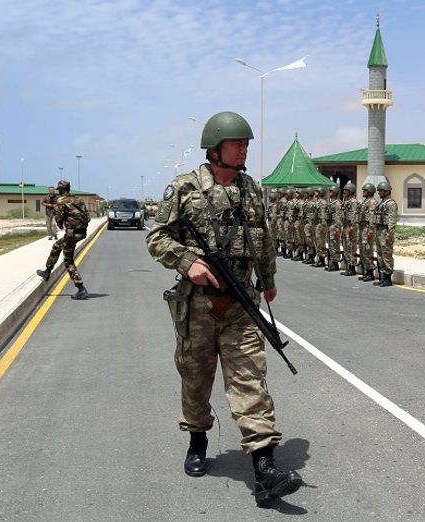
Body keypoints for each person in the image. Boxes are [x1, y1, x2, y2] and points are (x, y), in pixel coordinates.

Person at [145, 112, 302, 506]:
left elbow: (264, 239)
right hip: (197, 306)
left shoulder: (251, 189)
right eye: (237, 143)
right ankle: (198, 441)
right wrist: (187, 262)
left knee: (250, 378)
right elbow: (157, 237)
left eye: (246, 143)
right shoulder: (184, 188)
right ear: (214, 150)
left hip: (240, 305)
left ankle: (264, 467)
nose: (244, 148)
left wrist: (268, 280)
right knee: (196, 377)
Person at [36, 179, 90, 300]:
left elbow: (59, 219)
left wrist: (60, 223)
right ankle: (47, 271)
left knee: (68, 260)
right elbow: (87, 217)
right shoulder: (79, 200)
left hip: (71, 234)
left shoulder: (61, 201)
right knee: (57, 246)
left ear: (61, 189)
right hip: (81, 233)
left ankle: (81, 288)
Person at [371, 180, 397, 287]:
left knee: (386, 255)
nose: (379, 193)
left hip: (385, 233)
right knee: (380, 255)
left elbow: (391, 221)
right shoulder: (381, 203)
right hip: (379, 232)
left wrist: (389, 235)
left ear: (387, 191)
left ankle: (387, 278)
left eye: (381, 191)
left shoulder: (391, 204)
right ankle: (382, 277)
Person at [359, 182, 378, 281]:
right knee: (363, 251)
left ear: (370, 192)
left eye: (365, 190)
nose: (363, 192)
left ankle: (370, 272)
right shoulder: (365, 201)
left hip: (367, 230)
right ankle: (366, 271)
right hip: (362, 229)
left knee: (367, 250)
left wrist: (370, 231)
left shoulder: (372, 202)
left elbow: (371, 217)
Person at [340, 182, 359, 276]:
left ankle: (352, 268)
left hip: (351, 227)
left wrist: (352, 227)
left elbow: (355, 215)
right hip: (345, 226)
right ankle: (348, 267)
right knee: (346, 247)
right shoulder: (346, 201)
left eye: (346, 190)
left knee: (351, 247)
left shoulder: (353, 202)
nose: (344, 192)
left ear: (351, 191)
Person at [324, 183, 342, 272]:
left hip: (334, 227)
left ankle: (335, 264)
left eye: (331, 191)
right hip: (330, 227)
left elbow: (338, 218)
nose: (330, 192)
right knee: (331, 246)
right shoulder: (332, 203)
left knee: (335, 245)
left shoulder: (337, 203)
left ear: (335, 192)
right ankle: (332, 263)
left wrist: (338, 229)